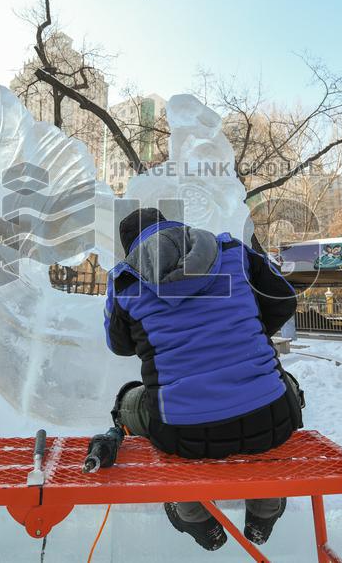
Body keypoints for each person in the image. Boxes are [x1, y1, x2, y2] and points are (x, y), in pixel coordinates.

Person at [103, 208, 304, 550]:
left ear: (130, 247)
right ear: (174, 224)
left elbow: (119, 345)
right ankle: (265, 507)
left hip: (181, 433)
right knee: (285, 384)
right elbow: (283, 299)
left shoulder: (125, 280)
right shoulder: (232, 250)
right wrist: (248, 334)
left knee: (128, 403)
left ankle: (193, 514)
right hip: (272, 417)